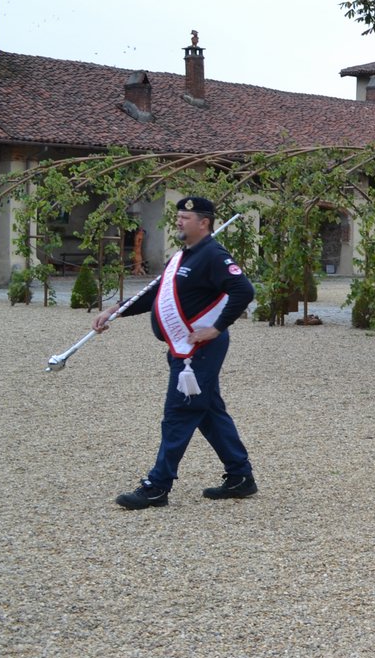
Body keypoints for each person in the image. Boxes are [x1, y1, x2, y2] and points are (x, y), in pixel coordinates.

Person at [97, 196, 257, 509]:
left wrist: (217, 327)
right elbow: (156, 294)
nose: (179, 221)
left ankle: (157, 486)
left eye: (186, 217)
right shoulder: (184, 255)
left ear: (204, 222)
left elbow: (244, 290)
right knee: (208, 413)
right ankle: (240, 477)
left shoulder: (213, 255)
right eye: (179, 216)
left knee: (179, 413)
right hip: (185, 347)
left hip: (200, 349)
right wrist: (117, 310)